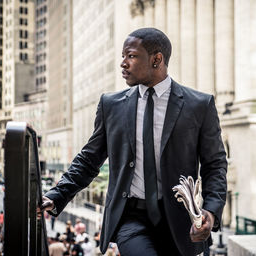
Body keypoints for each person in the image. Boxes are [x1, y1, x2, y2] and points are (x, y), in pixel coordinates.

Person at [40, 27, 227, 255]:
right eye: (123, 56)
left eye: (131, 56)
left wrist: (211, 210)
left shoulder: (199, 105)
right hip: (131, 217)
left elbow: (215, 164)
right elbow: (90, 159)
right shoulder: (111, 105)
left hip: (181, 221)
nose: (123, 63)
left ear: (156, 59)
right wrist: (57, 195)